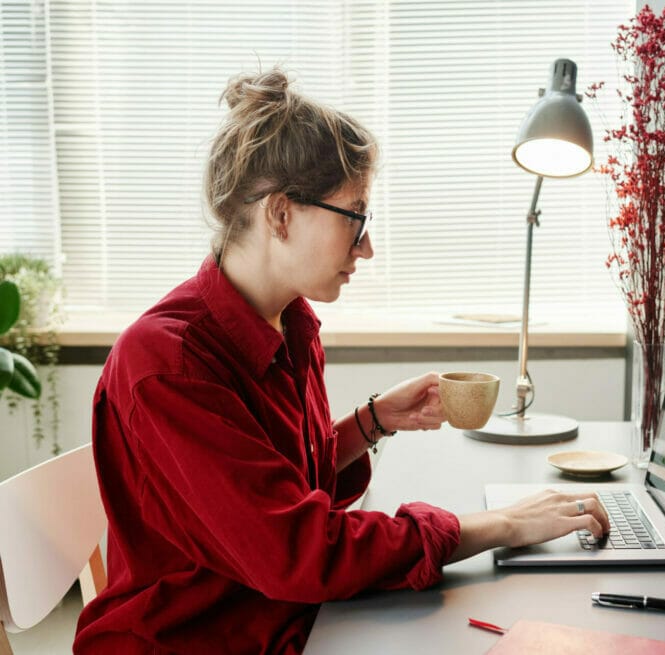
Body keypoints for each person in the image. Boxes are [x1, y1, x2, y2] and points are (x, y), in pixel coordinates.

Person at [73, 67, 609, 654]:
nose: (367, 247)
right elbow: (298, 550)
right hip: (194, 641)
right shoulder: (167, 364)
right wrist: (496, 526)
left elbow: (281, 488)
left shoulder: (291, 322)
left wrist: (372, 422)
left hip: (282, 620)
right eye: (354, 217)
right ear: (281, 214)